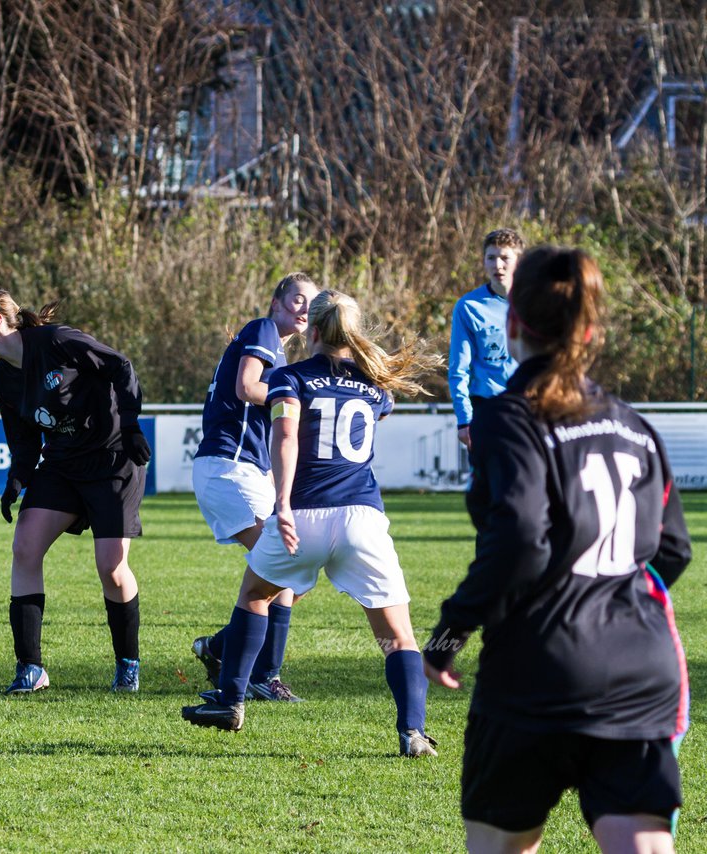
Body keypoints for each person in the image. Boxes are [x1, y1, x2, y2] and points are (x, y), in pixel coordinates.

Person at [423, 247, 692, 854]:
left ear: (512, 324)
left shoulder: (508, 418)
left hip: (536, 672)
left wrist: (445, 638)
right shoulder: (634, 425)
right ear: (591, 332)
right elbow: (672, 549)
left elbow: (519, 537)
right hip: (639, 673)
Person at [181, 289, 443, 759]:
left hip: (304, 517)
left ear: (315, 331)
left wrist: (280, 502)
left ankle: (230, 700)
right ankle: (413, 733)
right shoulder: (376, 386)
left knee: (255, 595)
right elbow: (383, 406)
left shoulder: (289, 377)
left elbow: (284, 436)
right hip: (363, 520)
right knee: (396, 636)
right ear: (354, 334)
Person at [0, 289, 150, 694]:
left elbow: (121, 365)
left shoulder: (56, 341)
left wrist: (131, 424)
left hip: (113, 459)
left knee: (112, 569)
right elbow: (25, 439)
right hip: (62, 465)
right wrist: (17, 477)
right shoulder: (3, 377)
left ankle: (127, 665)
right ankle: (31, 668)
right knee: (25, 546)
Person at [189, 272, 321, 704]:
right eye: (297, 299)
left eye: (310, 303)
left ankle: (222, 647)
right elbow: (246, 387)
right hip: (228, 466)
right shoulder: (263, 329)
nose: (303, 308)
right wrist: (295, 398)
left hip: (241, 468)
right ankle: (265, 675)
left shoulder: (277, 352)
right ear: (277, 302)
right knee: (285, 565)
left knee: (293, 572)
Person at [450, 228, 525, 449]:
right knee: (489, 481)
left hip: (528, 408)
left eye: (504, 258)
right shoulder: (469, 307)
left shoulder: (535, 302)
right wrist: (465, 420)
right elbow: (458, 369)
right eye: (491, 258)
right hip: (487, 408)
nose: (497, 265)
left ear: (519, 261)